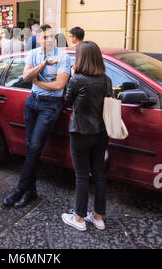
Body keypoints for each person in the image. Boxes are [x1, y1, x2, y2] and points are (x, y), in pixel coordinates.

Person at [3, 25, 70, 208]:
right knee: (29, 147)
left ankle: (20, 189)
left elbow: (58, 86)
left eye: (51, 37)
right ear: (38, 39)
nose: (48, 40)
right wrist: (43, 65)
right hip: (32, 103)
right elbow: (25, 77)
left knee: (34, 147)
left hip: (50, 105)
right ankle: (31, 191)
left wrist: (37, 81)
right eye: (44, 37)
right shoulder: (33, 54)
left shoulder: (63, 57)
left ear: (55, 39)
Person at [61, 41, 112, 232]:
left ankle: (79, 218)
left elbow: (67, 101)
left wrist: (72, 77)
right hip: (101, 132)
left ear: (81, 59)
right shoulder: (106, 80)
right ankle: (98, 217)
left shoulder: (77, 79)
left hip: (81, 132)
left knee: (82, 176)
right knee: (99, 174)